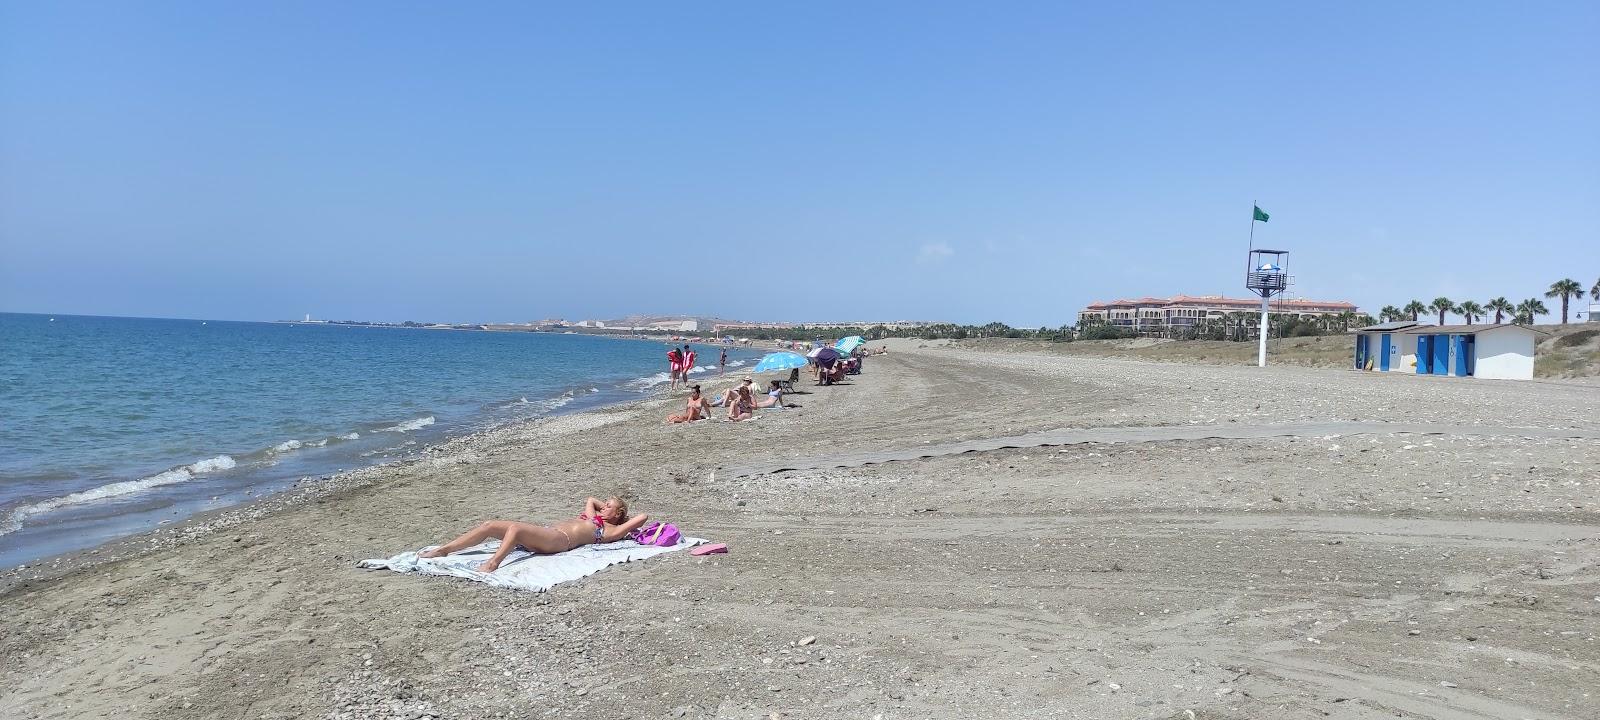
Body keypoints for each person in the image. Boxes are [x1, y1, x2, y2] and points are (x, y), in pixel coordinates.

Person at [418, 496, 650, 573]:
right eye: (604, 504)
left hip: (560, 542)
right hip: (548, 533)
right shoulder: (594, 517)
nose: (602, 507)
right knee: (489, 524)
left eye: (608, 506)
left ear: (618, 513)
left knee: (516, 529)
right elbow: (590, 499)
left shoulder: (612, 530)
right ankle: (443, 550)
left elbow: (643, 517)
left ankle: (492, 563)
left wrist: (619, 515)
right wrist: (607, 508)